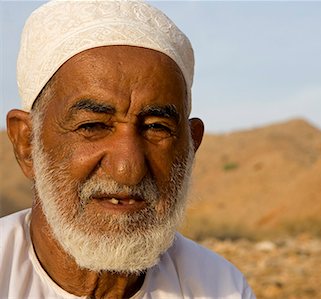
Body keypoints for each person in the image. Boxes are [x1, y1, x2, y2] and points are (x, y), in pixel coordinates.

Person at [0, 1, 255, 298]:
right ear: (26, 143)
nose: (128, 169)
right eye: (92, 126)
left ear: (190, 147)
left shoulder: (219, 287)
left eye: (156, 127)